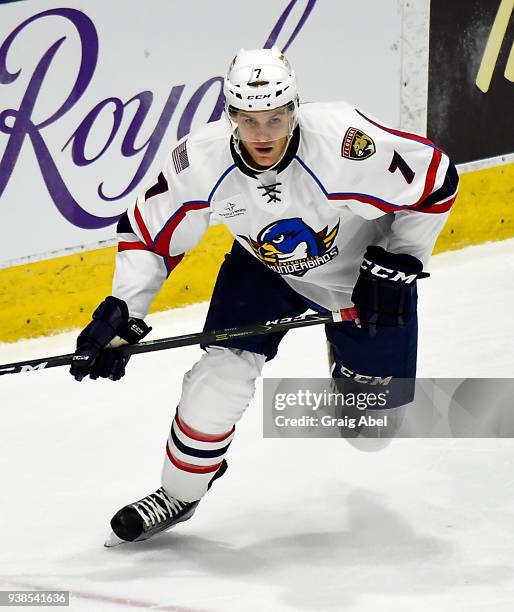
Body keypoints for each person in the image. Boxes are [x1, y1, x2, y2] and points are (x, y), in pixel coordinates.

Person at [69, 47, 459, 546]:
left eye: (276, 117)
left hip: (358, 281)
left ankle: (347, 356)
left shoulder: (346, 142)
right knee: (218, 378)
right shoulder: (201, 160)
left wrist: (400, 259)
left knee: (369, 427)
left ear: (296, 107)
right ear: (230, 114)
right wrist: (125, 310)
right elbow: (151, 233)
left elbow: (437, 179)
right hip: (264, 271)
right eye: (248, 120)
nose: (264, 134)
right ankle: (179, 492)